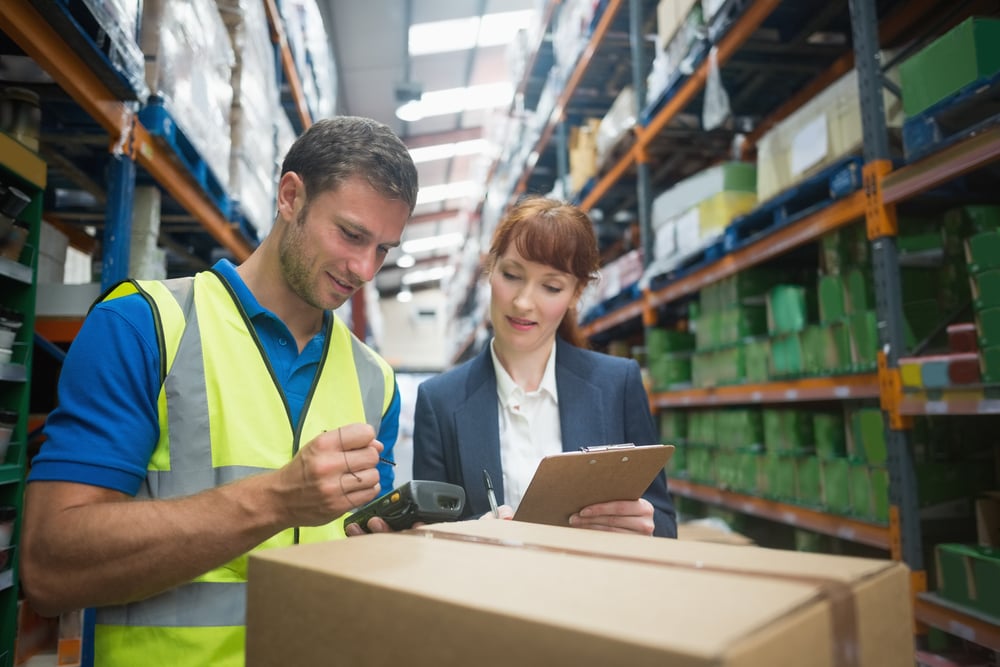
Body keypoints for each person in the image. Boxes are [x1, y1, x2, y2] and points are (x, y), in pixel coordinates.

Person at [20, 116, 419, 667]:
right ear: (291, 196)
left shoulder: (376, 381)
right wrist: (276, 500)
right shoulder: (145, 325)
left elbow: (364, 559)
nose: (364, 269)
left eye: (383, 250)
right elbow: (48, 568)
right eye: (351, 235)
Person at [412, 196, 677, 538]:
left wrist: (645, 526)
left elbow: (664, 524)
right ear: (490, 269)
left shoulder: (617, 385)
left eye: (551, 287)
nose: (523, 302)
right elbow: (427, 536)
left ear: (576, 293)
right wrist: (469, 536)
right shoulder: (439, 402)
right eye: (511, 275)